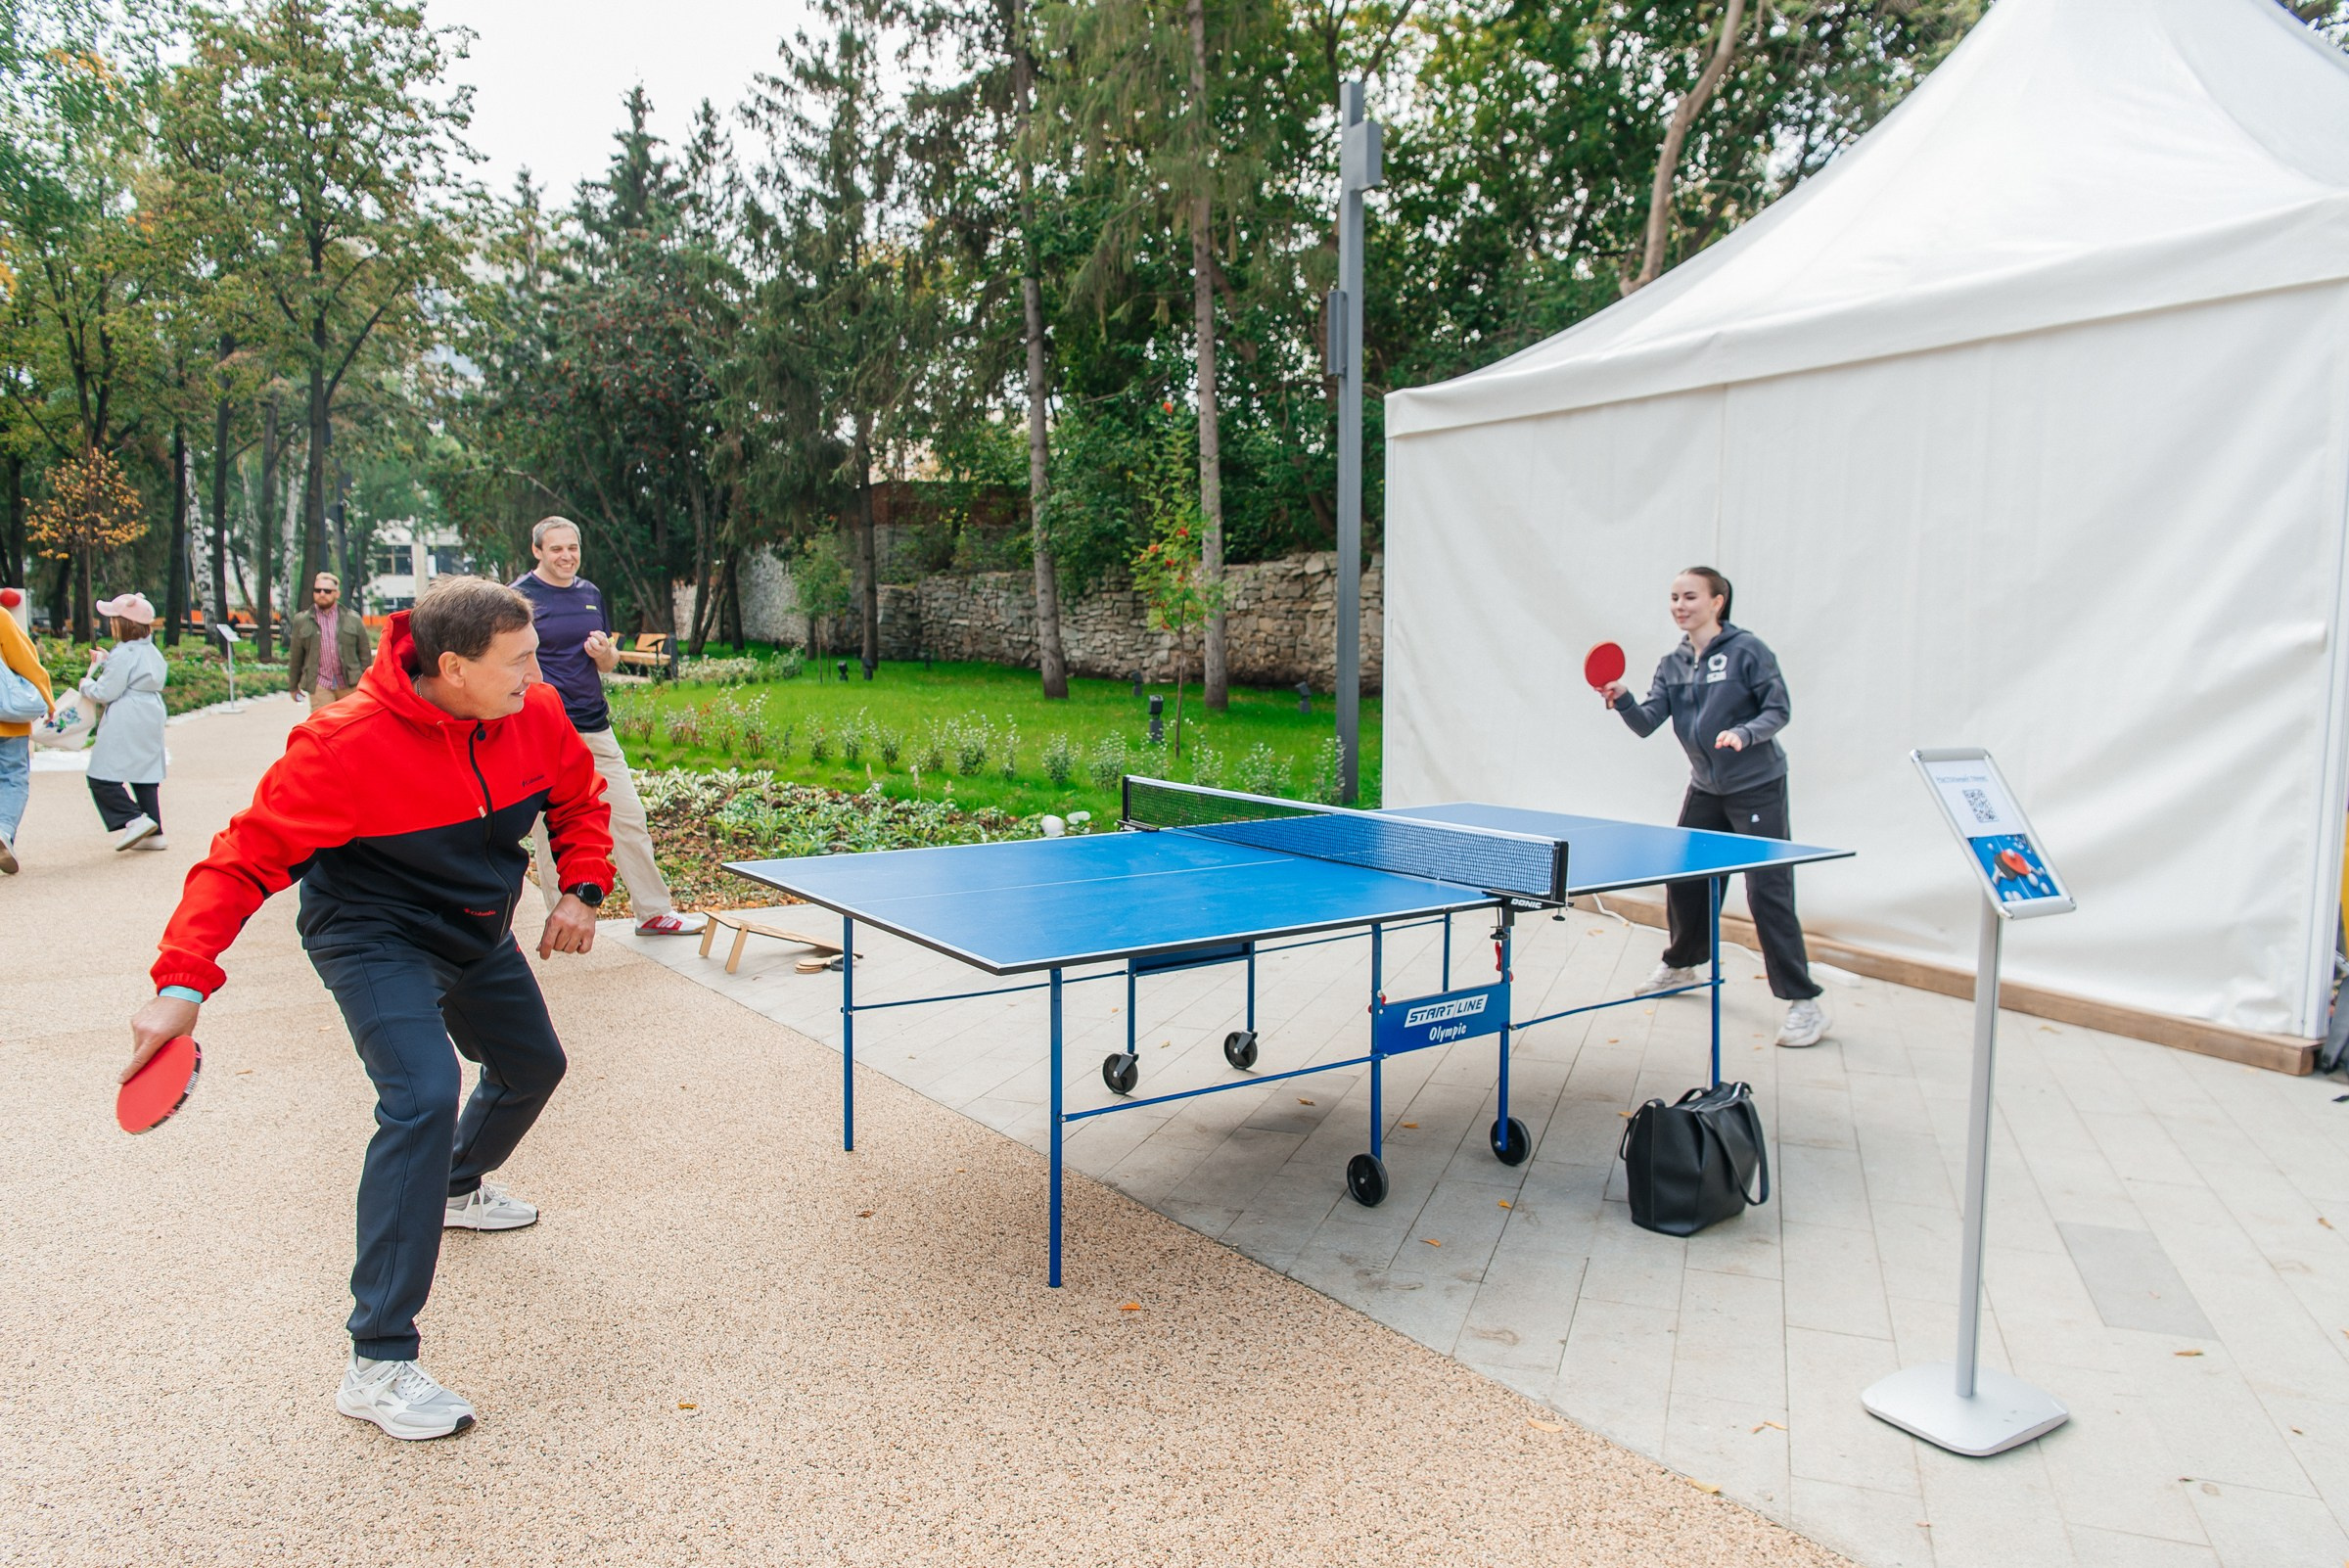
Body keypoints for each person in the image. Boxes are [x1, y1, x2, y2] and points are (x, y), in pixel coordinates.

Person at [119, 576, 615, 1440]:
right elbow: (239, 862)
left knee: (536, 1066)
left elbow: (576, 798)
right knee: (422, 1097)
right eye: (523, 658)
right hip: (375, 935)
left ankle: (456, 1186)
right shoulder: (341, 745)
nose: (540, 671)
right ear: (453, 666)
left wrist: (581, 886)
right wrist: (180, 982)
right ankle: (378, 1362)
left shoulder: (530, 714)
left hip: (475, 927)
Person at [1600, 566, 1830, 1048]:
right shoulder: (1673, 663)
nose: (1679, 605)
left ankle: (1804, 1002)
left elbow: (1778, 709)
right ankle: (1683, 965)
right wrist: (1623, 701)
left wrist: (1745, 733)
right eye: (1674, 598)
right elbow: (1647, 723)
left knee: (1766, 891)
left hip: (1756, 785)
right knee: (1684, 877)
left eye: (1690, 597)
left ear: (1717, 602)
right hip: (1706, 787)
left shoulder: (1749, 651)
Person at [512, 516, 706, 938]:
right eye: (556, 549)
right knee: (552, 827)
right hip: (544, 728)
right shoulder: (518, 598)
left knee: (629, 816)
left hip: (594, 724)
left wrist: (604, 653)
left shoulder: (589, 594)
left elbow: (608, 663)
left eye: (572, 548)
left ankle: (653, 912)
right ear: (538, 551)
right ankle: (560, 916)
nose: (566, 556)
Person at [82, 592, 170, 852]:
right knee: (145, 772)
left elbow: (105, 692)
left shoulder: (125, 652)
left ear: (122, 623)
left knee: (101, 774)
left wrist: (86, 685)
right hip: (150, 711)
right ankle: (155, 830)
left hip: (126, 713)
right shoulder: (150, 650)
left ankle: (133, 819)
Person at [0, 585, 54, 874]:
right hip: (7, 719)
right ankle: (3, 830)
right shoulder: (1, 618)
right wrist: (47, 698)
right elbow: (25, 661)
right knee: (12, 777)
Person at [287, 571, 372, 710]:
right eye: (317, 590)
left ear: (336, 594)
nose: (322, 594)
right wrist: (293, 686)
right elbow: (296, 655)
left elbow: (364, 653)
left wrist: (365, 682)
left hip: (350, 683)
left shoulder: (353, 619)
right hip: (320, 683)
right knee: (324, 728)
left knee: (351, 727)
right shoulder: (302, 620)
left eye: (327, 591)